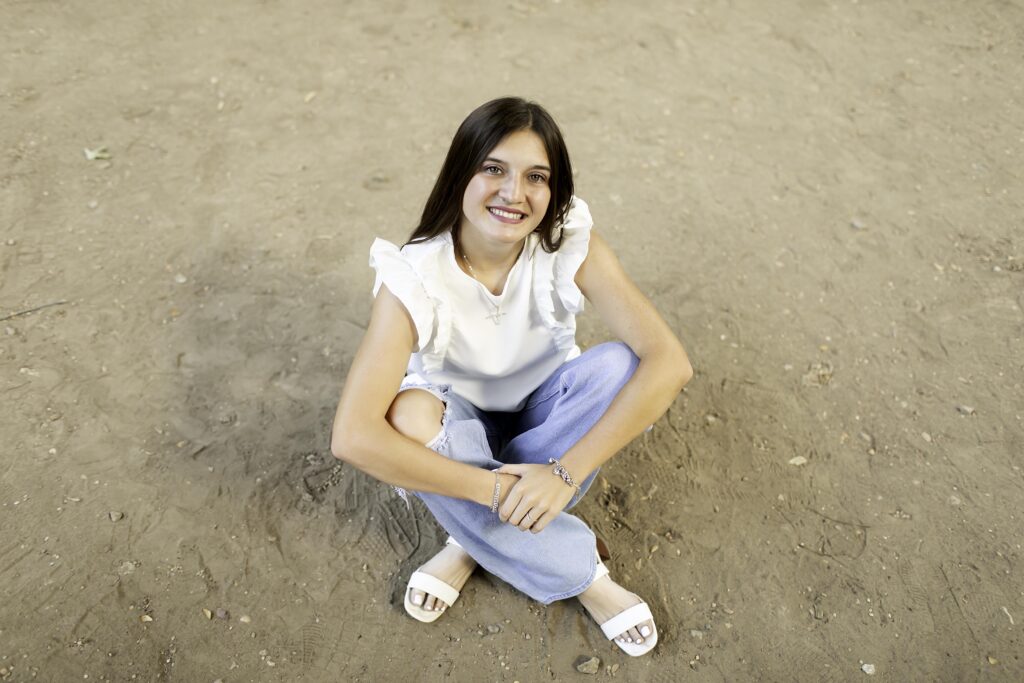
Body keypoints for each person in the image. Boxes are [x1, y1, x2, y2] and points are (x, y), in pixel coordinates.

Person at [331, 97, 692, 657]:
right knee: (406, 413)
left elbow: (671, 362)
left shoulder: (571, 241)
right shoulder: (413, 276)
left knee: (619, 368)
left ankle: (468, 541)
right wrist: (495, 490)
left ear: (555, 192)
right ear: (460, 174)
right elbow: (352, 435)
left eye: (536, 177)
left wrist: (564, 474)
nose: (514, 193)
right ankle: (584, 575)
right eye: (493, 169)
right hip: (458, 430)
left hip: (548, 422)